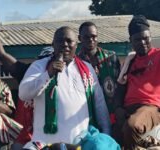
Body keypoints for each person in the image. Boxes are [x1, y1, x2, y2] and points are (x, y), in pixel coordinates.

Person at [19, 26, 111, 145]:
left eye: (69, 41)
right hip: (46, 144)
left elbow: (99, 104)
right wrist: (48, 74)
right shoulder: (39, 66)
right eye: (60, 41)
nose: (65, 44)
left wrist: (106, 134)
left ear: (76, 44)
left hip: (80, 144)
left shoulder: (87, 69)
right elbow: (23, 94)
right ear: (53, 44)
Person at [0, 14, 54, 149]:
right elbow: (1, 54)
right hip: (22, 138)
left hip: (48, 138)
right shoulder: (27, 72)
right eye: (42, 60)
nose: (44, 65)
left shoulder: (63, 79)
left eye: (49, 61)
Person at [114, 15, 160, 149]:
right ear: (131, 41)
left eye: (146, 38)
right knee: (112, 137)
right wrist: (118, 109)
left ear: (151, 36)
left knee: (132, 126)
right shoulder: (129, 61)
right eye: (138, 39)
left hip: (150, 107)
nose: (143, 42)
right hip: (128, 108)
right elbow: (120, 88)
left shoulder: (158, 56)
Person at [78, 22, 121, 124]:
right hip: (86, 113)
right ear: (80, 38)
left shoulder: (111, 57)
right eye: (86, 37)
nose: (91, 40)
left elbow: (120, 84)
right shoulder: (76, 62)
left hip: (112, 110)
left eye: (94, 36)